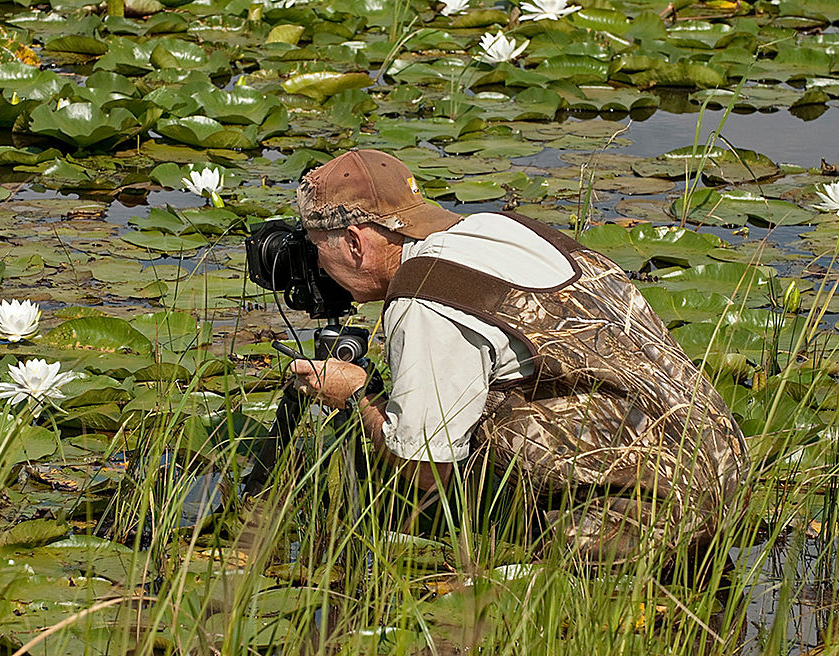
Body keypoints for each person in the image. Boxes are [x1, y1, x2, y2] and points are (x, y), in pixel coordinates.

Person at [287, 148, 749, 563]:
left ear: (353, 241)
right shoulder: (502, 229)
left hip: (637, 522)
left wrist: (356, 395)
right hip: (727, 480)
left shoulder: (424, 298)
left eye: (317, 250)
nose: (318, 268)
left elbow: (427, 468)